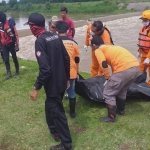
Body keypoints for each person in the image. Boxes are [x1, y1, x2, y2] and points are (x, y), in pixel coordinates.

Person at [28, 13, 72, 150]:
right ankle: (54, 130)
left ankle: (66, 145)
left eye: (30, 26)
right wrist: (67, 78)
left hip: (53, 84)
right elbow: (66, 58)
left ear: (34, 27)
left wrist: (36, 87)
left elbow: (45, 69)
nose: (30, 29)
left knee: (58, 113)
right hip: (61, 81)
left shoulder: (40, 41)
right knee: (50, 106)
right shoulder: (55, 36)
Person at [91, 35, 140, 122]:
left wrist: (107, 78)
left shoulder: (98, 50)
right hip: (136, 67)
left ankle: (112, 117)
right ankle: (121, 111)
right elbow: (115, 65)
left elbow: (103, 64)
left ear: (94, 45)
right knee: (122, 89)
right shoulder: (111, 47)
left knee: (108, 93)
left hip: (124, 69)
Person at [56, 21, 80, 118]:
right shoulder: (74, 43)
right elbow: (77, 59)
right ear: (68, 30)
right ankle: (72, 113)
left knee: (58, 92)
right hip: (72, 72)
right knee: (71, 91)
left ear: (57, 30)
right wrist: (77, 71)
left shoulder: (54, 42)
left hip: (58, 73)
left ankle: (59, 112)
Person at [0, 11, 19, 80]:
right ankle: (9, 73)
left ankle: (17, 71)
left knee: (14, 58)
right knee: (6, 59)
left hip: (11, 44)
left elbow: (16, 35)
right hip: (4, 45)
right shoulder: (0, 25)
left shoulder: (10, 24)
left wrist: (16, 45)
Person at [137, 10, 150, 86]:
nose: (143, 22)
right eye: (143, 20)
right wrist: (139, 51)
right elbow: (141, 42)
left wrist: (148, 57)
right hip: (143, 54)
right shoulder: (143, 29)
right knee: (141, 70)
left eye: (145, 20)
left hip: (149, 54)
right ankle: (140, 85)